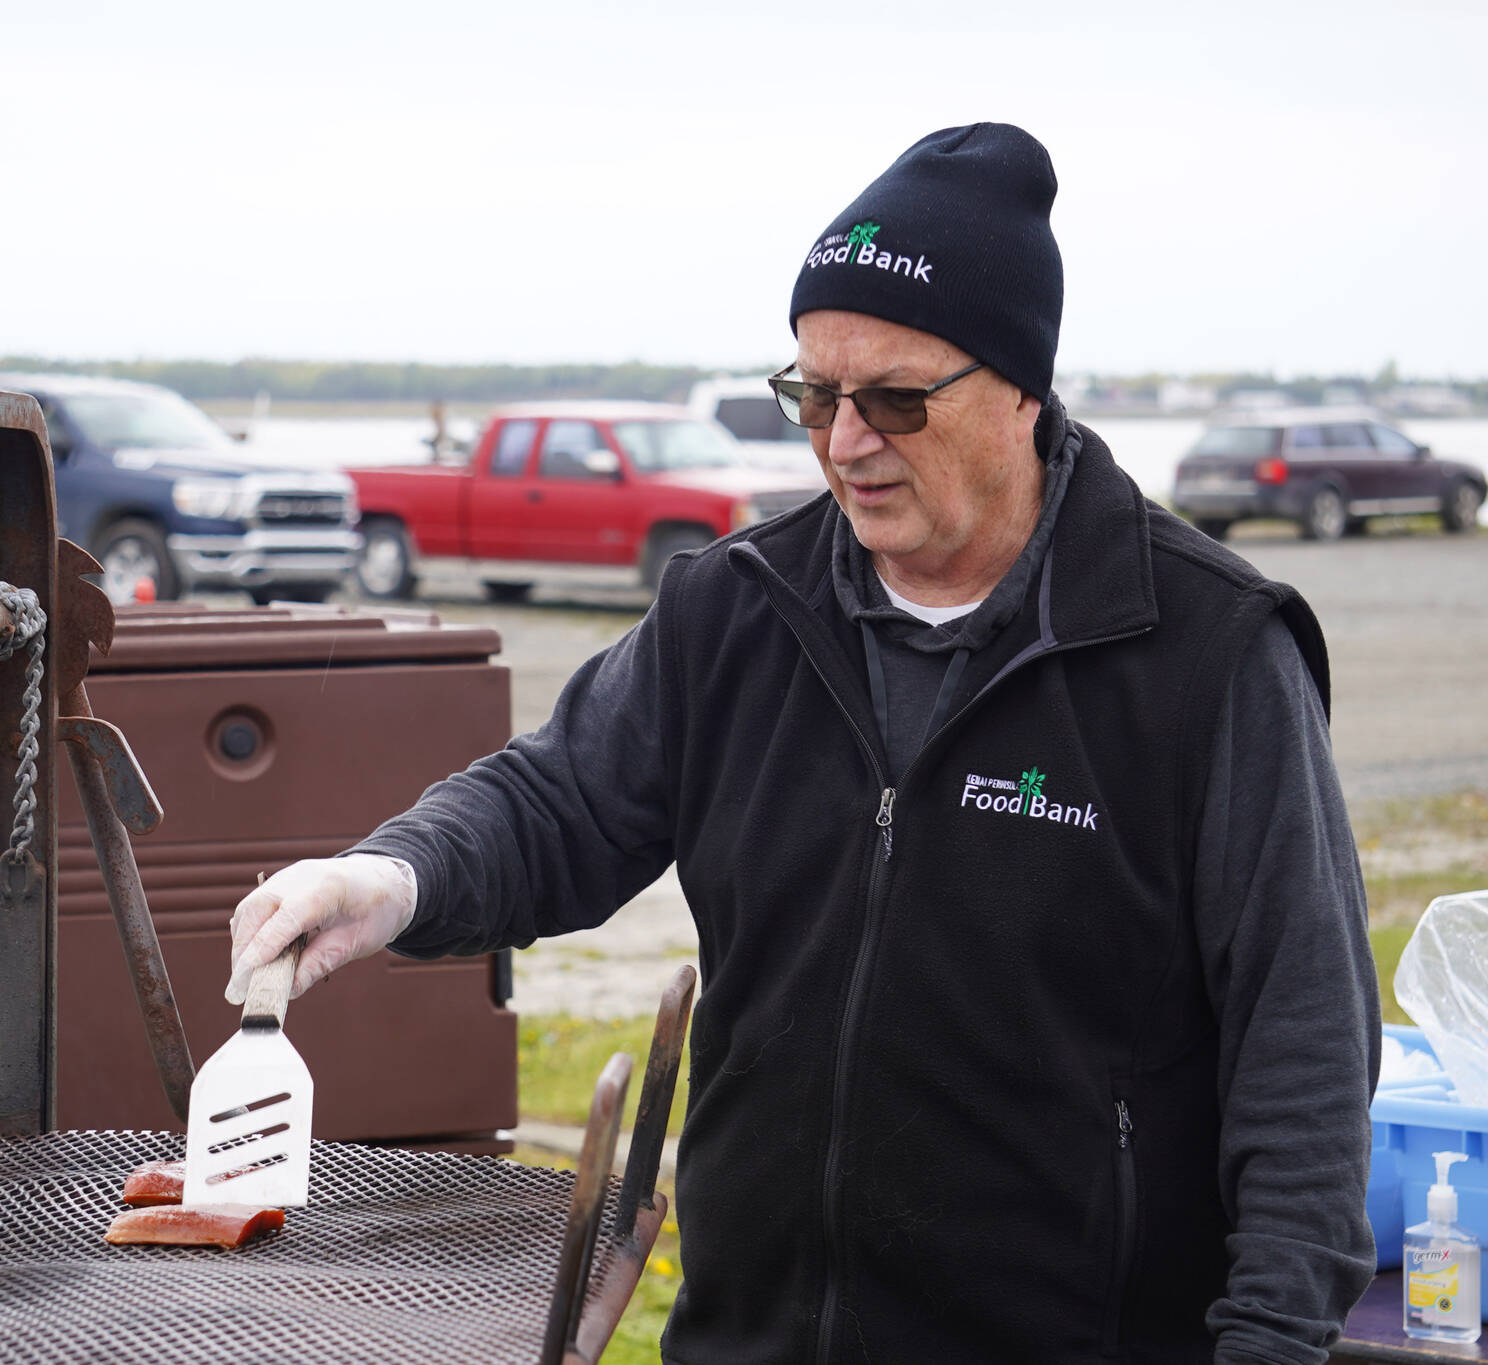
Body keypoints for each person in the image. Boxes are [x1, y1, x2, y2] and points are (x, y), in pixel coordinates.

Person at [228, 123, 1381, 1364]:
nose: (842, 442)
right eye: (813, 396)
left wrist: (1267, 1339)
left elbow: (1302, 1045)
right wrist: (385, 882)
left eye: (893, 399)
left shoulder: (1204, 651)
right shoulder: (735, 607)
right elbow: (558, 801)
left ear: (1020, 393)